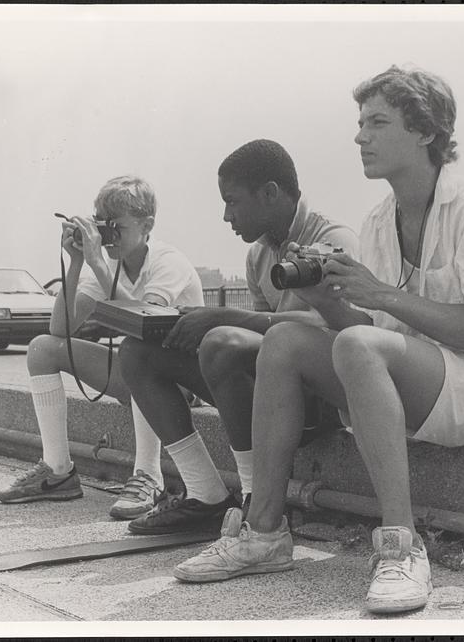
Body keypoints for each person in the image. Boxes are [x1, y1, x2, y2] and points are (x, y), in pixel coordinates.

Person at [173, 66, 464, 615]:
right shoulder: (380, 220)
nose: (360, 136)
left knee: (355, 344)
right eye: (360, 122)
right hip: (420, 380)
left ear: (426, 131)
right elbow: (375, 329)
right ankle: (264, 535)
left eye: (377, 122)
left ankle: (401, 545)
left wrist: (379, 294)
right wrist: (334, 297)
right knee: (284, 336)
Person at [118, 139, 359, 535]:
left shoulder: (335, 238)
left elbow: (334, 326)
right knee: (137, 353)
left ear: (269, 193)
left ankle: (256, 501)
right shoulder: (259, 254)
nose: (227, 216)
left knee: (222, 342)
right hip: (272, 394)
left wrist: (223, 317)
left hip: (322, 402)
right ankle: (206, 496)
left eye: (233, 201)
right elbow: (266, 335)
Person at [0, 175, 204, 521]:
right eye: (103, 227)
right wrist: (77, 263)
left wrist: (95, 263)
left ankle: (148, 476)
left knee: (140, 350)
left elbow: (145, 325)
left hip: (183, 379)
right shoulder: (105, 263)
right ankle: (58, 471)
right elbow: (59, 328)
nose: (108, 238)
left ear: (147, 224)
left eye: (117, 228)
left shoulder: (168, 262)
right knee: (42, 348)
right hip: (139, 370)